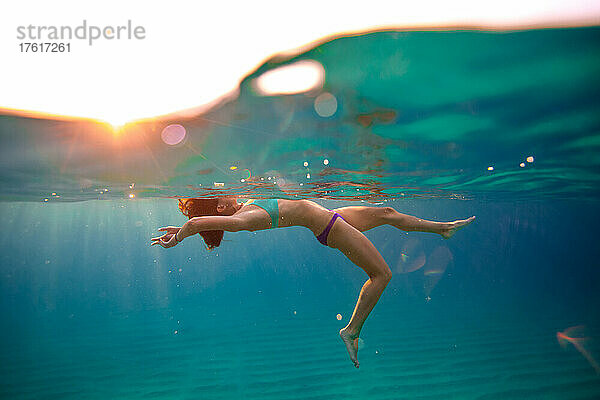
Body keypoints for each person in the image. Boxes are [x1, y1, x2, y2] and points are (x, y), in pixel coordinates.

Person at [151, 197, 475, 368]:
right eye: (224, 198)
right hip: (329, 227)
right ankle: (351, 331)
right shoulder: (241, 219)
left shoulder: (246, 204)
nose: (232, 195)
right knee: (382, 275)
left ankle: (443, 227)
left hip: (330, 216)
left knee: (387, 212)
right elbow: (195, 222)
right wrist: (177, 237)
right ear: (221, 207)